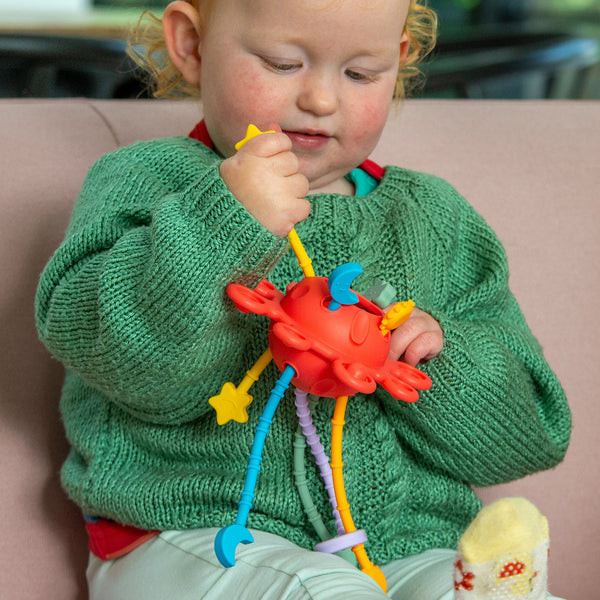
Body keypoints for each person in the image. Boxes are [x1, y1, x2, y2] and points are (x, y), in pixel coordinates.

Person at [35, 0, 571, 598]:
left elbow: (528, 441)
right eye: (282, 63)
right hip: (194, 535)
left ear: (397, 62)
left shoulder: (435, 219)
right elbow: (127, 364)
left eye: (360, 73)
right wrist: (224, 223)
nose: (320, 99)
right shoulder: (144, 182)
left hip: (405, 550)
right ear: (191, 43)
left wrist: (433, 360)